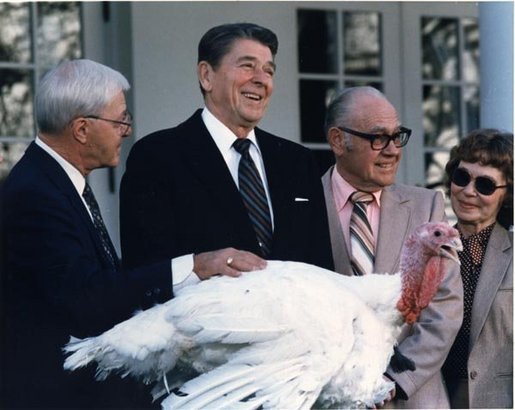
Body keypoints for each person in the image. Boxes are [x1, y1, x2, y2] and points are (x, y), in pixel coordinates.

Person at [0, 59, 265, 409]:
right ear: (81, 129)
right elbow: (86, 295)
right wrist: (195, 266)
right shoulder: (37, 194)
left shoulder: (54, 181)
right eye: (120, 119)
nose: (126, 130)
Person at [119, 22, 334, 282]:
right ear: (206, 76)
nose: (261, 79)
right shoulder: (156, 157)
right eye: (247, 65)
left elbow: (321, 270)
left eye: (269, 70)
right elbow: (146, 270)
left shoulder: (298, 161)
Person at [321, 86, 463, 408]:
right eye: (378, 138)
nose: (392, 150)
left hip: (408, 397)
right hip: (329, 397)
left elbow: (444, 309)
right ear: (337, 140)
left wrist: (392, 383)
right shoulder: (302, 206)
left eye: (397, 136)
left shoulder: (426, 206)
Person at [441, 129, 513, 408]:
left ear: (506, 195)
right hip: (434, 399)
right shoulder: (431, 248)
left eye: (485, 185)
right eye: (462, 178)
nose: (468, 191)